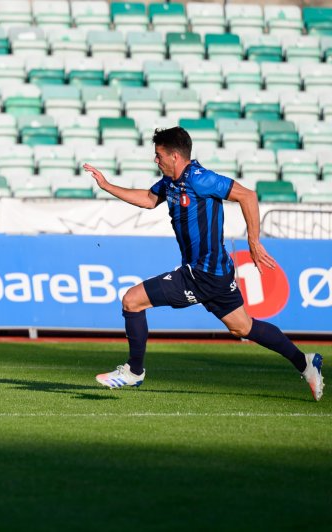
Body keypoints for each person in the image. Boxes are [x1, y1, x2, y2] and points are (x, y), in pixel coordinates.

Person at [83, 127, 324, 401]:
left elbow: (248, 195)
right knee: (242, 327)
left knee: (132, 300)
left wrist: (254, 242)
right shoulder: (170, 182)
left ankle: (134, 371)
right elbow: (149, 200)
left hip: (203, 274)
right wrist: (107, 186)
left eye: (158, 155)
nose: (156, 160)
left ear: (175, 156)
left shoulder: (201, 179)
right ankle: (306, 363)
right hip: (214, 274)